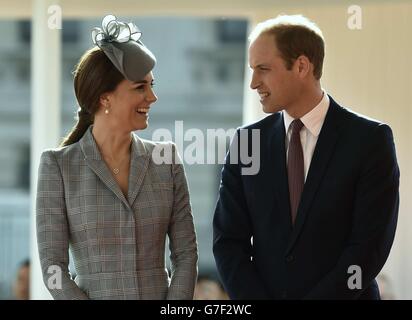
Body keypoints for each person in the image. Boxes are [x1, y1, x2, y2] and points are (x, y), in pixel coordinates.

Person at [213, 15, 399, 300]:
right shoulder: (246, 142)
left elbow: (369, 246)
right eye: (252, 70)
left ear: (301, 66)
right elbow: (228, 243)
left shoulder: (370, 140)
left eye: (263, 69)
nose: (253, 83)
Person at [36, 15, 198, 300]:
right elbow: (53, 268)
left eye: (152, 85)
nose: (152, 97)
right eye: (140, 87)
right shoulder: (57, 166)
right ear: (104, 98)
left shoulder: (166, 159)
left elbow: (185, 254)